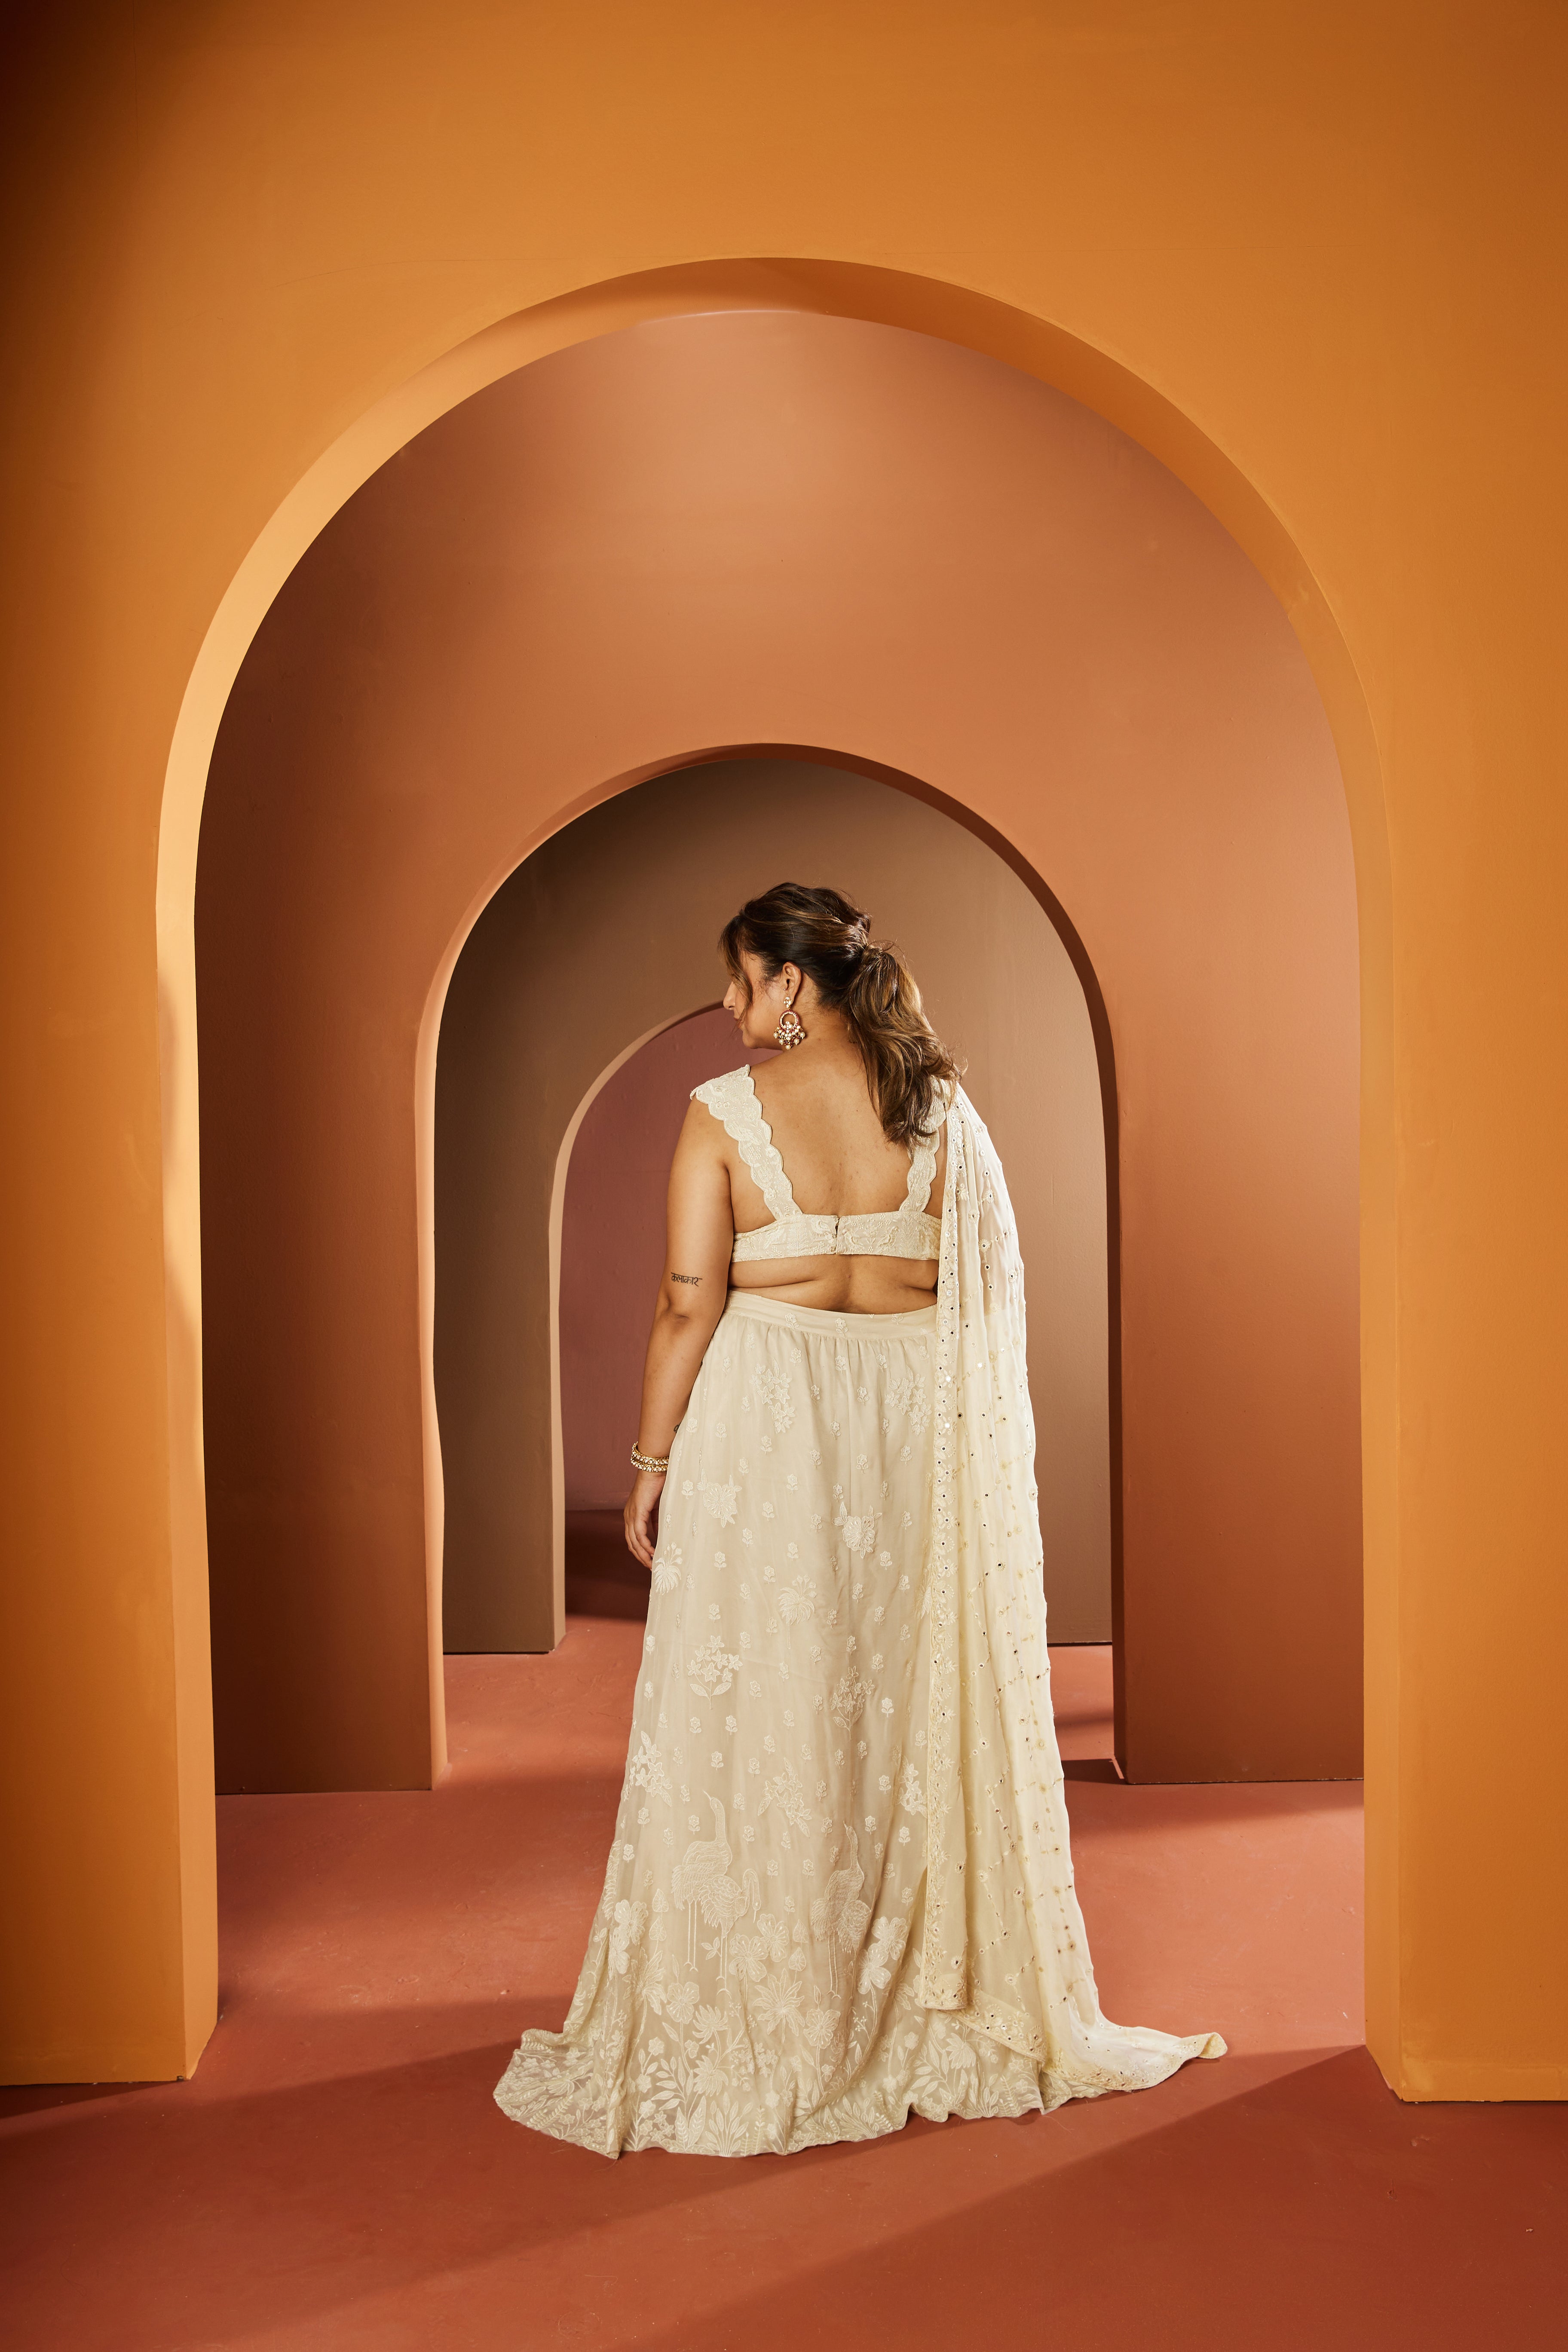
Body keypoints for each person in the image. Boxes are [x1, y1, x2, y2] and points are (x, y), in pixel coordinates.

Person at [495, 882, 1222, 2158]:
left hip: (767, 1414)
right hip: (911, 1422)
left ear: (792, 982)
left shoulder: (723, 1113)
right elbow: (983, 1299)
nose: (727, 1002)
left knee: (770, 1694)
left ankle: (781, 1986)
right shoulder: (944, 1113)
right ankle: (907, 1977)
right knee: (899, 1695)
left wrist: (650, 1459)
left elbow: (686, 1301)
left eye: (740, 976)